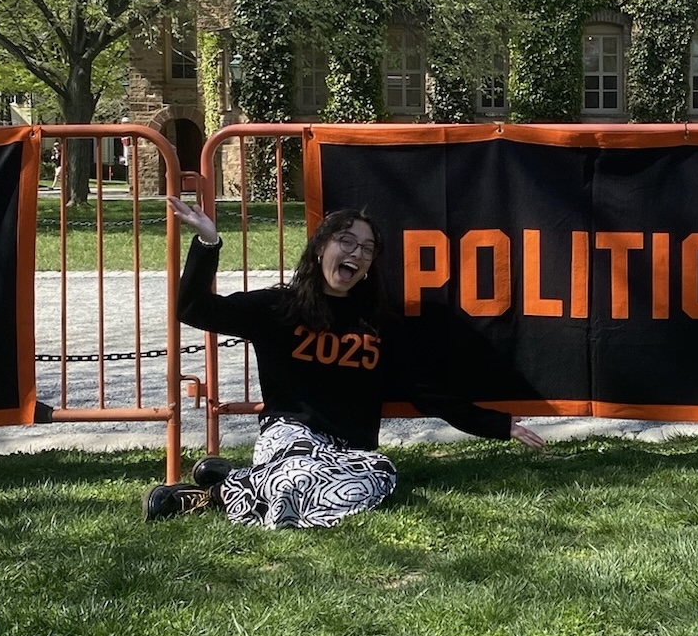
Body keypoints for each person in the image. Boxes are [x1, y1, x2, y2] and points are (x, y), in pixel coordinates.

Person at [149, 198, 545, 527]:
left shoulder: (380, 324)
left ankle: (237, 480)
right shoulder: (279, 308)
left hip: (350, 452)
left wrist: (498, 424)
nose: (357, 252)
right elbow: (193, 308)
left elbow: (426, 393)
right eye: (347, 241)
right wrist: (209, 242)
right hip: (289, 438)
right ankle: (205, 498)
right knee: (297, 477)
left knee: (378, 475)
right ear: (322, 248)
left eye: (367, 248)